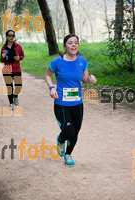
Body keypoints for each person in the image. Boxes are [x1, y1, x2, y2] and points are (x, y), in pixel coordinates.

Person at [45, 34, 97, 167]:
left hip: (77, 104)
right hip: (62, 103)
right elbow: (48, 75)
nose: (73, 45)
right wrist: (52, 88)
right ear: (64, 46)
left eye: (76, 43)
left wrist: (89, 79)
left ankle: (68, 154)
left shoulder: (82, 62)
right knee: (69, 130)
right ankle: (61, 139)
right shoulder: (57, 62)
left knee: (76, 131)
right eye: (70, 43)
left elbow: (83, 80)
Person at [0, 30, 24, 110]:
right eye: (9, 35)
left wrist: (19, 58)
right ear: (6, 36)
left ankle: (15, 96)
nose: (11, 37)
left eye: (13, 35)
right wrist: (3, 57)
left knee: (18, 86)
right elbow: (1, 60)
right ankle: (11, 103)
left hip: (16, 68)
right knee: (9, 87)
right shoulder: (3, 48)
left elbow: (22, 55)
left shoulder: (18, 46)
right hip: (7, 68)